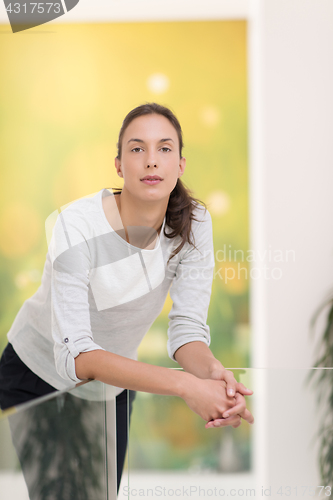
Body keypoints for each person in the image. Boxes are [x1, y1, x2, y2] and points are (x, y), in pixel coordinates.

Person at [0, 102, 254, 497]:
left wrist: (212, 376)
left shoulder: (194, 223)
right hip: (35, 376)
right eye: (138, 149)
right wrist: (186, 386)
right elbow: (77, 356)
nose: (152, 161)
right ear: (119, 165)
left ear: (181, 164)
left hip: (111, 385)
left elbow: (186, 331)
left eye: (165, 148)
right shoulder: (77, 224)